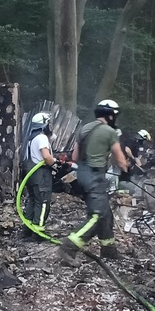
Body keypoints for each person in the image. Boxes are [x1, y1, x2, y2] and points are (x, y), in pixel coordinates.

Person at [58, 100, 128, 265]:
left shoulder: (84, 128)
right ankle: (69, 247)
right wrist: (126, 172)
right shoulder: (110, 131)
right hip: (95, 176)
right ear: (111, 115)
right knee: (97, 215)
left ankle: (108, 249)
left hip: (81, 174)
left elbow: (74, 157)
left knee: (105, 213)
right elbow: (120, 159)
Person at [22, 111, 58, 240]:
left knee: (33, 200)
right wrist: (54, 162)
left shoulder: (31, 138)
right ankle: (38, 232)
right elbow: (46, 156)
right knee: (43, 203)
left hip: (30, 174)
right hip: (40, 174)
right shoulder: (42, 138)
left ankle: (27, 230)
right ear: (45, 125)